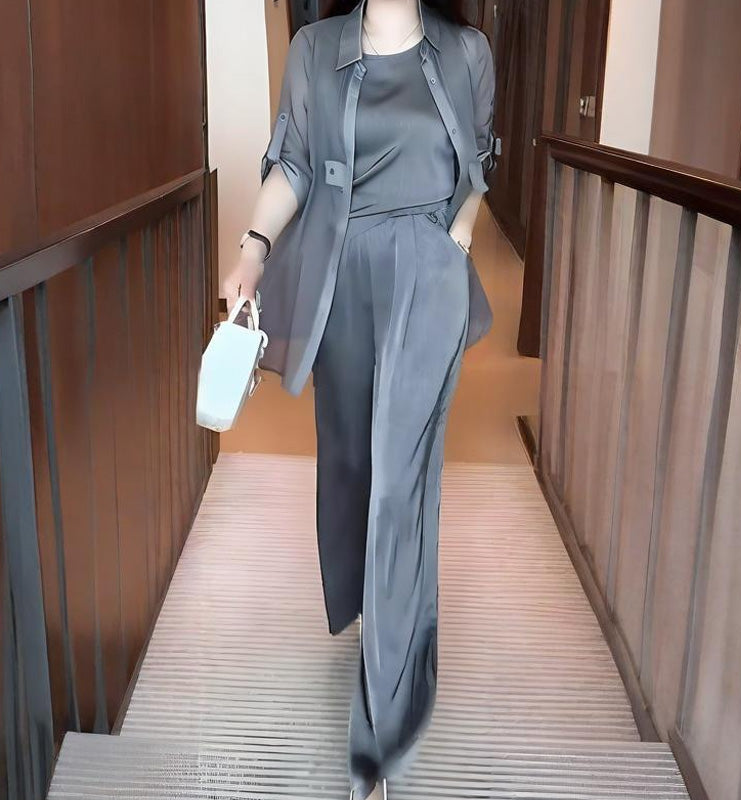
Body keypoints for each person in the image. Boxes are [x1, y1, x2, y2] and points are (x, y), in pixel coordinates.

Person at [223, 1, 498, 797]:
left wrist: (456, 241)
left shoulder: (466, 52)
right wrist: (251, 251)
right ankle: (373, 617)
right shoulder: (315, 49)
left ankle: (381, 733)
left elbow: (478, 161)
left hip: (428, 279)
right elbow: (294, 164)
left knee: (399, 486)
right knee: (350, 466)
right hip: (342, 280)